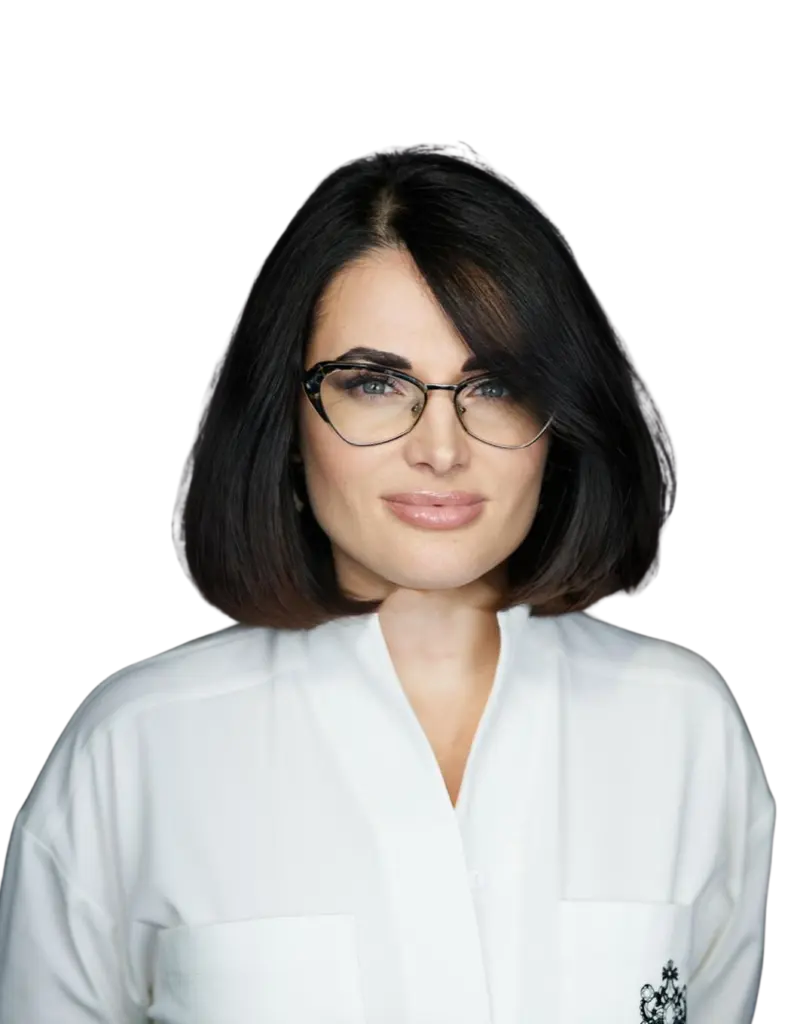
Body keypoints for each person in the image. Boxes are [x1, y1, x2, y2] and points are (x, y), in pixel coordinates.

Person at [0, 138, 774, 1022]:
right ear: (286, 421)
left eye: (495, 384)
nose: (440, 448)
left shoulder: (681, 727)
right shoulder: (138, 747)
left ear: (559, 422)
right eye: (373, 383)